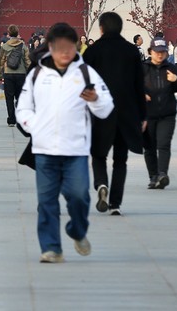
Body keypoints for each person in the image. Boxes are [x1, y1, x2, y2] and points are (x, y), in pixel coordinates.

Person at [16, 22, 114, 263]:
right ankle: (51, 248)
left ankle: (77, 230)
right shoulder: (37, 74)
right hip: (44, 150)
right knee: (46, 202)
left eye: (70, 47)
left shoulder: (86, 73)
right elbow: (23, 109)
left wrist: (95, 99)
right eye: (60, 47)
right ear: (50, 47)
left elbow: (106, 107)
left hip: (75, 150)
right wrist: (35, 128)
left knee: (79, 196)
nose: (65, 53)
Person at [82, 12, 146, 216]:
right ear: (120, 28)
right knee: (120, 160)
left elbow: (84, 83)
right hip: (126, 113)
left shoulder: (92, 51)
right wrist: (143, 115)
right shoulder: (131, 51)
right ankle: (115, 204)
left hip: (100, 112)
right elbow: (139, 86)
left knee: (98, 154)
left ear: (101, 28)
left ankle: (102, 184)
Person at [143, 38, 177, 189]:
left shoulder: (171, 68)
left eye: (162, 52)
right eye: (157, 52)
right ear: (150, 52)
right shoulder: (143, 68)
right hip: (147, 114)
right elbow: (132, 87)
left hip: (167, 114)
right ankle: (153, 176)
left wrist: (175, 80)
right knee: (149, 147)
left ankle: (162, 174)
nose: (160, 55)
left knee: (164, 144)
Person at [0, 25, 31, 126]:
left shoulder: (5, 46)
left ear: (8, 34)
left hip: (8, 73)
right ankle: (20, 118)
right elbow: (27, 61)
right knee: (20, 98)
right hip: (21, 74)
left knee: (9, 98)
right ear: (18, 34)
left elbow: (1, 61)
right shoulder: (23, 46)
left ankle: (11, 120)